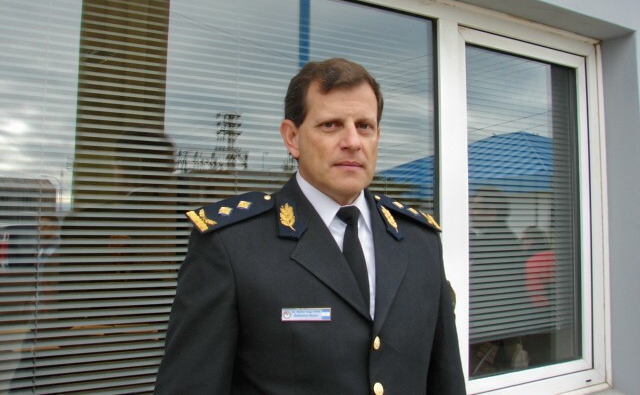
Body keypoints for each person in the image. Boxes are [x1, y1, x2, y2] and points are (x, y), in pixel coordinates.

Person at [154, 58, 466, 394]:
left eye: (364, 126)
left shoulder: (419, 242)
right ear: (292, 138)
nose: (353, 141)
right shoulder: (232, 246)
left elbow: (445, 379)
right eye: (331, 125)